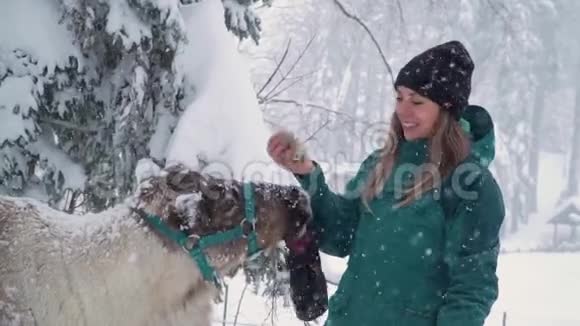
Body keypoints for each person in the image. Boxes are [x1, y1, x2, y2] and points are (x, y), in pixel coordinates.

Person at [267, 40, 505, 326]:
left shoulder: (471, 184)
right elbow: (340, 235)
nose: (403, 112)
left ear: (447, 109)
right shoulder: (381, 163)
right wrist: (308, 174)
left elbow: (471, 290)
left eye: (417, 101)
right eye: (399, 98)